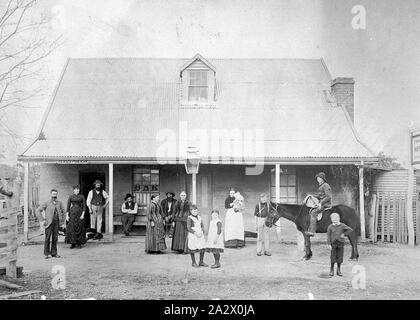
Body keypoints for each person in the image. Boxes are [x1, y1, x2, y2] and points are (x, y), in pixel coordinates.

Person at [36, 189, 66, 259]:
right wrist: (42, 220)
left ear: (57, 194)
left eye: (55, 194)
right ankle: (46, 254)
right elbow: (38, 210)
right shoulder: (47, 202)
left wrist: (62, 221)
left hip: (56, 223)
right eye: (53, 194)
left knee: (55, 238)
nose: (54, 195)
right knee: (47, 238)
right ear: (51, 194)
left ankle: (54, 253)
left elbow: (64, 212)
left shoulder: (59, 203)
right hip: (49, 223)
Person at [327, 213, 353, 277]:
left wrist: (344, 234)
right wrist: (329, 244)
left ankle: (338, 270)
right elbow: (328, 236)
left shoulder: (342, 225)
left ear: (339, 219)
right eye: (333, 219)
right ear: (331, 219)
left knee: (340, 257)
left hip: (340, 243)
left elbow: (350, 230)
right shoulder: (330, 227)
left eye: (336, 218)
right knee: (333, 257)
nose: (335, 220)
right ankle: (332, 270)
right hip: (333, 243)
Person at [307, 172, 332, 236]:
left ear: (322, 179)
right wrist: (311, 196)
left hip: (325, 204)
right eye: (317, 178)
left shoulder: (326, 185)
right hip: (321, 203)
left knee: (314, 212)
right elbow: (320, 196)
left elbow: (328, 196)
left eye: (319, 178)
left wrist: (321, 203)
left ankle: (312, 231)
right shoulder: (321, 186)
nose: (318, 179)